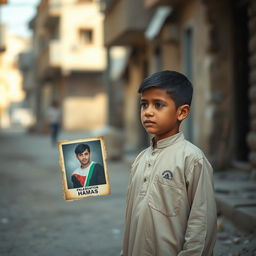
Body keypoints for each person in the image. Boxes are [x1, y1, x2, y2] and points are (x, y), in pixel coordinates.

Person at [122, 70, 217, 256]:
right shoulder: (140, 160)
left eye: (158, 105)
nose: (148, 112)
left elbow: (202, 223)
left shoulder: (192, 159)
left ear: (182, 112)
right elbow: (130, 220)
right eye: (144, 105)